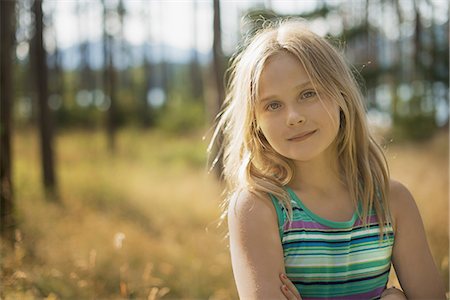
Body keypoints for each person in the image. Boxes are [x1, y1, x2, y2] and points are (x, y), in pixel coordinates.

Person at [209, 20, 446, 299]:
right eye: (273, 105)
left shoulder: (391, 201)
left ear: (341, 95)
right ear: (255, 123)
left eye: (308, 94)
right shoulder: (259, 208)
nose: (293, 116)